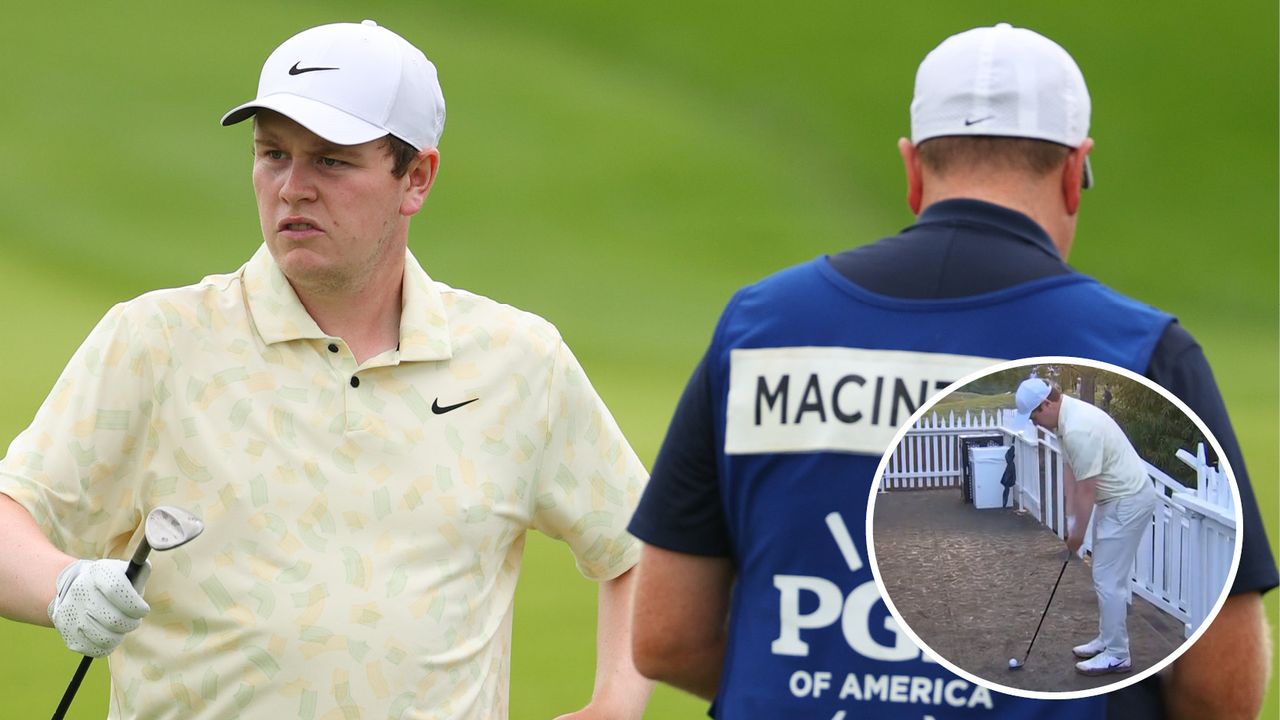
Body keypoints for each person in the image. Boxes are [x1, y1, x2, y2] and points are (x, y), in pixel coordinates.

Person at [0, 20, 652, 720]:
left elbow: (640, 542)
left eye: (332, 161)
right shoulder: (157, 340)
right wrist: (64, 584)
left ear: (417, 178)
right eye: (272, 153)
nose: (292, 188)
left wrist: (614, 704)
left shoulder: (518, 361)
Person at [627, 22, 1276, 720]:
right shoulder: (1139, 347)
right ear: (1072, 173)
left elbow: (667, 636)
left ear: (912, 172)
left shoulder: (757, 327)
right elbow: (1218, 685)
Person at [1016, 378, 1161, 675]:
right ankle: (1108, 640)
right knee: (1105, 576)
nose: (1034, 424)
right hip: (1117, 499)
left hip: (1128, 501)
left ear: (1046, 404)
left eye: (1034, 416)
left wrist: (1077, 535)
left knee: (1108, 579)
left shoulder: (1079, 427)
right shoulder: (1064, 422)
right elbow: (1071, 473)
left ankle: (1118, 654)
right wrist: (1071, 524)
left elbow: (1086, 490)